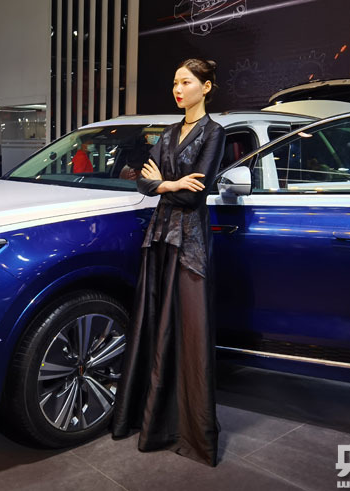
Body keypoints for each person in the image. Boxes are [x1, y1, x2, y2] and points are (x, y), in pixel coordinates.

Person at [112, 58, 225, 466]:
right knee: (152, 324)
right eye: (175, 82)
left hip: (189, 243)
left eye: (186, 82)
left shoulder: (214, 132)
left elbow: (195, 195)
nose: (178, 89)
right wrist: (170, 182)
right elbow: (142, 180)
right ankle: (148, 419)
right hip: (159, 237)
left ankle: (184, 429)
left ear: (205, 87)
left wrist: (165, 184)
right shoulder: (168, 133)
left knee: (189, 332)